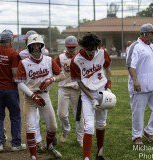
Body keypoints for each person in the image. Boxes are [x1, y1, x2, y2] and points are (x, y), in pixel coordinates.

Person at [16, 34, 64, 160]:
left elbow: (62, 75)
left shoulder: (48, 60)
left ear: (42, 46)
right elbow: (19, 82)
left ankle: (49, 147)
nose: (36, 47)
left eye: (38, 45)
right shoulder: (24, 63)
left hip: (44, 96)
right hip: (30, 98)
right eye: (33, 45)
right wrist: (32, 95)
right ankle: (33, 156)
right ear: (29, 47)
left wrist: (51, 79)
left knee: (53, 127)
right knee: (31, 128)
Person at [70, 32, 112, 160]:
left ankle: (100, 153)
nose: (91, 53)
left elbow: (108, 69)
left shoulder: (102, 52)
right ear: (83, 47)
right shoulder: (76, 60)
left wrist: (109, 87)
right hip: (87, 93)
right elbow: (79, 82)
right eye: (88, 50)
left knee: (101, 124)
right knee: (88, 126)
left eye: (93, 50)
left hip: (102, 90)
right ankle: (86, 158)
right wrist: (92, 98)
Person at [126, 23, 153, 145]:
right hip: (140, 87)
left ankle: (148, 131)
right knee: (138, 112)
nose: (152, 35)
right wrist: (136, 80)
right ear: (144, 33)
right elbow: (130, 65)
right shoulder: (135, 46)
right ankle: (136, 137)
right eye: (151, 33)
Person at [19, 30, 52, 153]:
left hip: (31, 87)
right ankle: (38, 141)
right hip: (30, 87)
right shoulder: (41, 52)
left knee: (35, 118)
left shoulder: (22, 53)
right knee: (34, 118)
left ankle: (39, 141)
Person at [55, 35, 83, 147]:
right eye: (69, 47)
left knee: (79, 114)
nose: (71, 49)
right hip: (64, 88)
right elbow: (54, 69)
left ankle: (80, 137)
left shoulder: (81, 57)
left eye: (73, 47)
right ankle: (66, 130)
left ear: (76, 46)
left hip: (77, 89)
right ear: (66, 46)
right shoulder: (60, 57)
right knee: (61, 114)